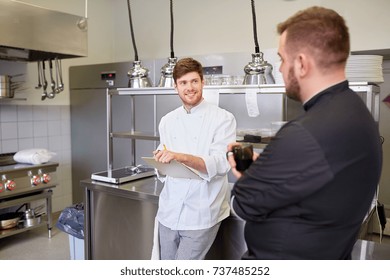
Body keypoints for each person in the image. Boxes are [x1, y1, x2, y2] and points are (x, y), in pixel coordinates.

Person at [227, 6, 382, 260]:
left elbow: (241, 204)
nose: (279, 68)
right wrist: (266, 171)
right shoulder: (357, 114)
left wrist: (251, 177)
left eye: (281, 58)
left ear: (300, 63)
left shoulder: (303, 134)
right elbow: (308, 182)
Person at [152, 57, 236, 260]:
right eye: (183, 83)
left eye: (194, 81)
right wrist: (159, 161)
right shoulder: (167, 121)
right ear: (175, 87)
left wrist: (180, 156)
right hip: (169, 210)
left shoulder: (223, 119)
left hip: (202, 212)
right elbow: (163, 165)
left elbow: (219, 163)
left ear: (202, 82)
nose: (189, 88)